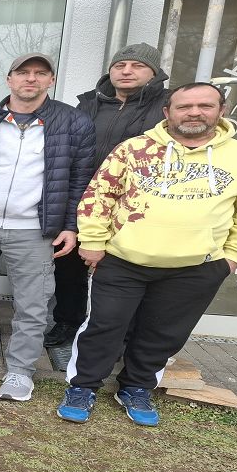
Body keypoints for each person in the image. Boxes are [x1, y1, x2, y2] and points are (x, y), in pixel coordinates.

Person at [57, 82, 237, 426]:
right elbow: (100, 196)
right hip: (123, 261)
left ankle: (136, 387)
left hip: (197, 267)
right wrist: (94, 243)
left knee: (163, 333)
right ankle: (83, 386)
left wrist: (231, 258)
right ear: (167, 112)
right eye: (184, 106)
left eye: (205, 106)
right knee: (104, 326)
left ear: (221, 111)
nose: (194, 113)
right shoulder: (133, 149)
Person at [0, 53, 94, 402]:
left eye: (40, 73)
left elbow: (80, 180)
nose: (31, 79)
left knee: (32, 303)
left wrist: (71, 225)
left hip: (35, 228)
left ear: (51, 80)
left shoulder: (73, 122)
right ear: (9, 80)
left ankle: (21, 369)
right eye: (23, 72)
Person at [45, 42, 171, 348]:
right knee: (69, 267)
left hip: (135, 205)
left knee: (123, 273)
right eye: (119, 66)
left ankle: (123, 335)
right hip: (84, 199)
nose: (126, 71)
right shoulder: (88, 104)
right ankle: (67, 321)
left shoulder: (166, 108)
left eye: (137, 66)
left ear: (154, 73)